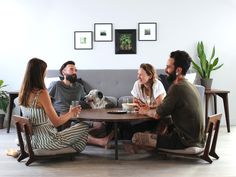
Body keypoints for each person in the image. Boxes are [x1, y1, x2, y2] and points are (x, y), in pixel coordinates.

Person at [18, 58, 113, 152]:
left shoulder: (23, 93)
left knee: (94, 127)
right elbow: (56, 122)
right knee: (83, 126)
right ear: (39, 73)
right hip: (48, 141)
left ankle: (97, 141)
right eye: (45, 71)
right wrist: (71, 113)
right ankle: (100, 141)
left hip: (33, 140)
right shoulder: (42, 93)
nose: (46, 73)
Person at [126, 51, 205, 153]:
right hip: (196, 138)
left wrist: (144, 111)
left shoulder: (177, 88)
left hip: (185, 141)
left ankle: (145, 148)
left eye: (168, 67)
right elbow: (164, 109)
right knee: (162, 126)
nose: (165, 70)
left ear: (178, 70)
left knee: (136, 137)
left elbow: (157, 114)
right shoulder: (189, 85)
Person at [48, 61, 105, 133]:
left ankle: (75, 135)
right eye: (71, 69)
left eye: (75, 70)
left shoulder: (79, 87)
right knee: (69, 126)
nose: (74, 72)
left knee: (100, 126)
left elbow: (85, 99)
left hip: (76, 117)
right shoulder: (55, 85)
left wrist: (94, 99)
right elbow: (46, 102)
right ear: (63, 72)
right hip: (61, 118)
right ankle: (98, 139)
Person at [119, 63, 166, 140]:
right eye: (138, 74)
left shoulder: (157, 84)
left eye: (141, 75)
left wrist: (147, 107)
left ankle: (132, 144)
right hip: (144, 115)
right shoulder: (137, 84)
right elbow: (135, 102)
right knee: (122, 125)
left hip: (155, 117)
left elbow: (160, 106)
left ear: (150, 76)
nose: (138, 77)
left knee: (129, 128)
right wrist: (144, 107)